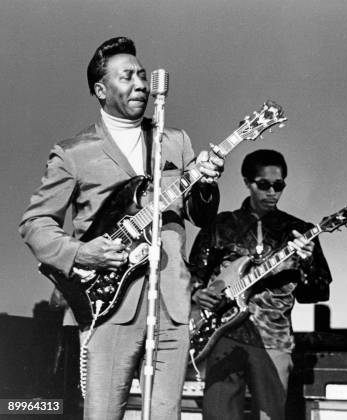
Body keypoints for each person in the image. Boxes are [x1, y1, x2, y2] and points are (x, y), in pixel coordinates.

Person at [19, 36, 224, 420]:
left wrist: (208, 183)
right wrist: (81, 252)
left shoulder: (175, 142)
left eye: (143, 76)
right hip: (109, 306)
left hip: (172, 306)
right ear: (101, 89)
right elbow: (35, 224)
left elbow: (202, 215)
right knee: (102, 414)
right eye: (127, 76)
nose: (140, 85)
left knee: (166, 414)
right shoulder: (74, 152)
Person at [189, 149, 332, 420]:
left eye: (278, 186)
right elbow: (192, 272)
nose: (272, 192)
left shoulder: (299, 231)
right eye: (263, 184)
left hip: (273, 339)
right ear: (247, 182)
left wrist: (309, 261)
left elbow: (317, 292)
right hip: (221, 336)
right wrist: (198, 294)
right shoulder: (221, 225)